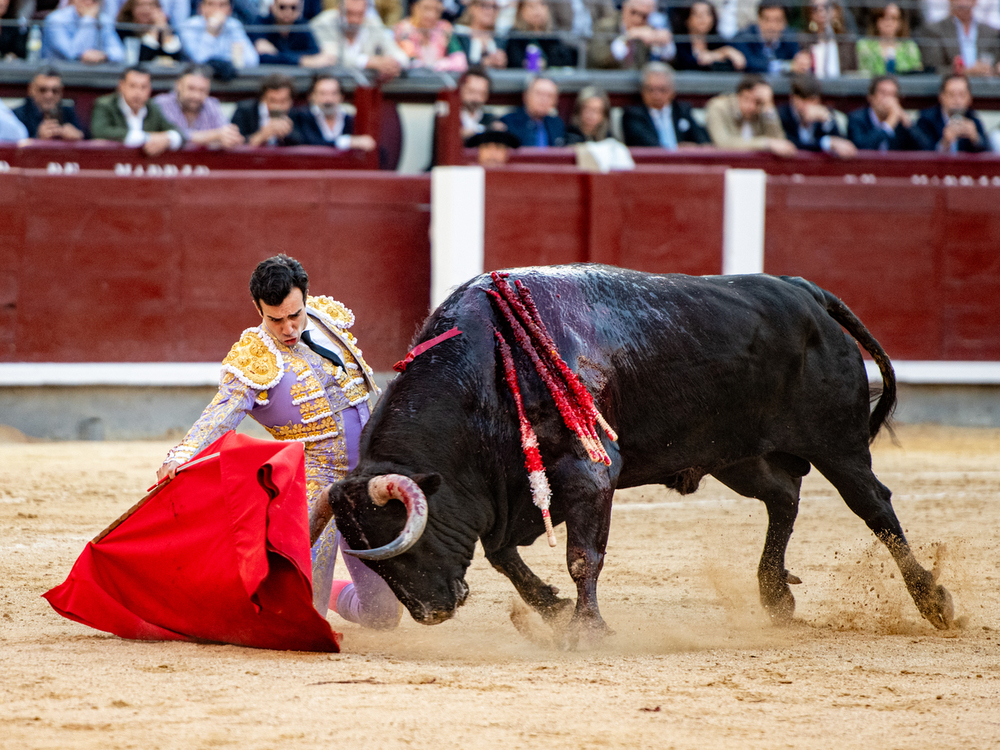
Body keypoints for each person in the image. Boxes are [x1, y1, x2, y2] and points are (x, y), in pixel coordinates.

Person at [157, 255, 400, 629]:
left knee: (383, 616)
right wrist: (183, 453)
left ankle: (338, 593)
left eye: (294, 315)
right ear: (258, 308)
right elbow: (221, 413)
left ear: (305, 297)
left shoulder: (325, 320)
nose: (288, 327)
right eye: (275, 319)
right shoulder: (255, 358)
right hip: (314, 485)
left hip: (366, 479)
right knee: (304, 616)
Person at [90, 66, 183, 156]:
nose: (138, 92)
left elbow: (179, 133)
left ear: (150, 89)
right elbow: (100, 131)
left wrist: (167, 140)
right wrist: (147, 138)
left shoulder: (152, 107)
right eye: (133, 86)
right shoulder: (105, 105)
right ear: (121, 86)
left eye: (143, 87)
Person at [621, 61, 710, 148]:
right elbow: (645, 143)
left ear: (672, 91)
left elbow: (703, 140)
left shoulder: (682, 111)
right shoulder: (633, 115)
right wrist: (676, 149)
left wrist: (696, 147)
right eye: (650, 89)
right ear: (642, 91)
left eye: (662, 89)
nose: (656, 95)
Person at [309, 0, 407, 79]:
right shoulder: (323, 23)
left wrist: (393, 65)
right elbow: (333, 57)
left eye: (360, 14)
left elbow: (400, 55)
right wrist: (371, 62)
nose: (354, 20)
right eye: (349, 13)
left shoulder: (372, 22)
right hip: (332, 85)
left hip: (366, 91)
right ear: (338, 9)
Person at [154, 64, 244, 148]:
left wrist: (231, 137)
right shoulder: (161, 104)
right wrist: (213, 136)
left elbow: (225, 134)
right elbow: (175, 135)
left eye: (202, 90)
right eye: (191, 88)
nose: (196, 96)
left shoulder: (211, 105)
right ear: (178, 86)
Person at [705, 73, 796, 154]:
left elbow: (779, 142)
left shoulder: (763, 110)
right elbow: (723, 143)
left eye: (757, 102)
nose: (751, 106)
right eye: (747, 99)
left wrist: (768, 106)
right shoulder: (719, 107)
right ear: (738, 96)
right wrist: (766, 143)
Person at [290, 74, 377, 150]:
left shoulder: (352, 121)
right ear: (312, 97)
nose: (328, 99)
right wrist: (345, 142)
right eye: (322, 93)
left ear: (341, 97)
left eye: (334, 93)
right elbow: (308, 144)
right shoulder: (301, 119)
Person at [778, 73, 856, 157]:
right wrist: (826, 142)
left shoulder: (823, 114)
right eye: (803, 100)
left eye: (812, 100)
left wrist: (827, 121)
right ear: (793, 98)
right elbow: (793, 145)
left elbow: (839, 141)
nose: (808, 105)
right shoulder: (782, 114)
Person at [846, 74, 927, 150]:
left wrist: (908, 124)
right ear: (871, 97)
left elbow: (926, 148)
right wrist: (889, 123)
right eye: (883, 93)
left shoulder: (901, 122)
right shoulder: (857, 119)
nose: (888, 100)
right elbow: (861, 148)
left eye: (892, 95)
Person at [918, 0, 1000, 75]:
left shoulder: (991, 32)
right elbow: (932, 68)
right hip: (952, 86)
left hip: (986, 86)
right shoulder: (934, 30)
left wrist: (993, 69)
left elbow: (995, 63)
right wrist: (965, 71)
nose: (963, 2)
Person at [588, 0, 675, 69]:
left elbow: (667, 62)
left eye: (644, 16)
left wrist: (664, 44)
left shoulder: (650, 31)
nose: (637, 19)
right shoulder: (604, 27)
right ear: (624, 7)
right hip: (609, 83)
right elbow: (598, 59)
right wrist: (627, 37)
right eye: (633, 12)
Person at [915, 72, 990, 152]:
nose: (957, 100)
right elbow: (921, 154)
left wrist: (976, 139)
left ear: (969, 98)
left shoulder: (973, 120)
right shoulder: (927, 120)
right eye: (951, 95)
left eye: (962, 95)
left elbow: (988, 154)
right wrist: (944, 143)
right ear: (942, 97)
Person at [250, 0, 336, 66]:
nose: (288, 11)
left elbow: (314, 53)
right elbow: (262, 57)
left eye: (293, 7)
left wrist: (277, 54)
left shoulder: (303, 26)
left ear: (300, 9)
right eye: (282, 7)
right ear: (272, 7)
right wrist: (302, 60)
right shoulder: (260, 23)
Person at [178, 0, 259, 70]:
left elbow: (252, 60)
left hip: (228, 83)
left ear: (230, 9)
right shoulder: (190, 26)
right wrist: (211, 32)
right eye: (210, 4)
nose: (216, 9)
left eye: (222, 5)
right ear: (201, 7)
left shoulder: (234, 25)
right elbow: (199, 60)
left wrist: (224, 65)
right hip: (199, 79)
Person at [13, 68, 87, 141]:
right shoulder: (16, 116)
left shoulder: (68, 113)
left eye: (55, 91)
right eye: (42, 90)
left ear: (61, 92)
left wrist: (78, 137)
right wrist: (37, 138)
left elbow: (88, 140)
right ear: (31, 90)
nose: (49, 96)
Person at [393, 0, 467, 71]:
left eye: (437, 10)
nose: (431, 15)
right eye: (427, 8)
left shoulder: (444, 28)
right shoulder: (404, 29)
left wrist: (438, 65)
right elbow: (410, 61)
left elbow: (460, 62)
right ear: (415, 8)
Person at [231, 73, 303, 146]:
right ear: (262, 99)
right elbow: (234, 143)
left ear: (291, 101)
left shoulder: (297, 114)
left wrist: (288, 133)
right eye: (272, 100)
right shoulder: (245, 110)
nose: (277, 106)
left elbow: (305, 144)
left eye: (283, 101)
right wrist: (262, 135)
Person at [673, 0, 746, 71]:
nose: (703, 19)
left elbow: (740, 62)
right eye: (697, 14)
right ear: (687, 19)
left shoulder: (717, 41)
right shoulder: (679, 41)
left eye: (707, 14)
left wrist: (717, 54)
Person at [43, 0, 125, 63]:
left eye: (94, 0)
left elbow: (119, 53)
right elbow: (71, 54)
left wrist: (104, 55)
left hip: (92, 75)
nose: (88, 2)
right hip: (57, 74)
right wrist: (88, 19)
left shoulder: (104, 20)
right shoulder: (56, 19)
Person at [792, 0, 856, 77]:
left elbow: (854, 73)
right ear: (809, 13)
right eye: (815, 8)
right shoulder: (803, 40)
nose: (821, 11)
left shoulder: (847, 41)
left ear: (835, 10)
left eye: (826, 6)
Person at [855, 2, 923, 75]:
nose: (889, 22)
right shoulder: (864, 46)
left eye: (893, 18)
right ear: (876, 21)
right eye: (883, 17)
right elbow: (862, 74)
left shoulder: (910, 47)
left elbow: (916, 75)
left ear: (900, 23)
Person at [506, 0, 577, 69]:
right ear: (520, 10)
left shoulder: (552, 37)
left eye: (542, 4)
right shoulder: (514, 37)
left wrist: (546, 63)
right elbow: (513, 62)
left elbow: (566, 61)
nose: (537, 11)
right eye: (531, 6)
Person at [499, 74, 566, 147]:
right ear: (525, 96)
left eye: (549, 96)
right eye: (539, 94)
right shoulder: (509, 122)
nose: (544, 100)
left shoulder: (557, 124)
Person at [732, 0, 798, 73]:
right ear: (758, 19)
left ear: (785, 22)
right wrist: (787, 66)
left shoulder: (792, 39)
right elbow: (750, 64)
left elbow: (798, 62)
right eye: (767, 19)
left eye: (777, 20)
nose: (771, 26)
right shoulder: (744, 39)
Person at [116, 0, 185, 64]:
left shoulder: (164, 27)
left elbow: (175, 61)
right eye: (140, 5)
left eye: (151, 5)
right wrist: (152, 34)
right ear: (131, 8)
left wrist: (165, 34)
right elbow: (141, 62)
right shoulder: (123, 30)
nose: (146, 9)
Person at [452, 0, 506, 67]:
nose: (490, 11)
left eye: (494, 7)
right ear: (472, 8)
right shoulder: (458, 34)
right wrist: (483, 62)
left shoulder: (501, 39)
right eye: (484, 5)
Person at [457, 66, 498, 138]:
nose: (476, 98)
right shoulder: (449, 119)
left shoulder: (490, 121)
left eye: (482, 94)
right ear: (460, 90)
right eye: (471, 92)